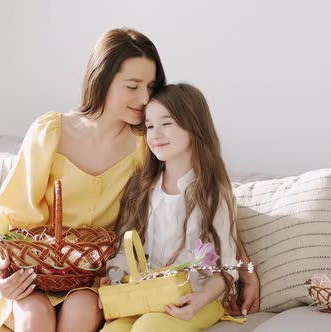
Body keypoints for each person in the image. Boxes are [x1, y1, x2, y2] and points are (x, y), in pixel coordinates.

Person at [0, 27, 166, 332]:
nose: (144, 98)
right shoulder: (50, 132)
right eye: (132, 86)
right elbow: (11, 217)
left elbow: (199, 187)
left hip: (90, 277)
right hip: (30, 270)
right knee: (35, 315)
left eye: (150, 86)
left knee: (80, 311)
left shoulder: (144, 144)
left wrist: (243, 265)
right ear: (102, 79)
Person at [99, 83, 260, 332]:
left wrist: (200, 300)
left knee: (148, 328)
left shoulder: (213, 192)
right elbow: (124, 252)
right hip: (149, 295)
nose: (155, 134)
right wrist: (116, 281)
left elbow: (226, 267)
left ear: (194, 126)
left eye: (167, 123)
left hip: (199, 297)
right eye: (150, 125)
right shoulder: (141, 188)